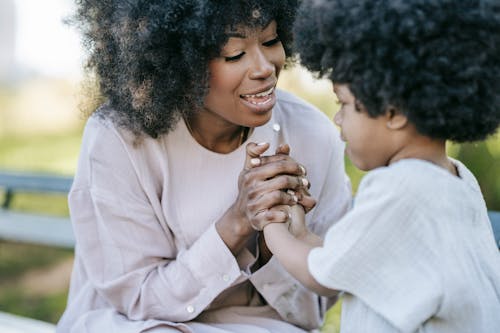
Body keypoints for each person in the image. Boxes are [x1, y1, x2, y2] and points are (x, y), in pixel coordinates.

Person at [57, 1, 352, 332]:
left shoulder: (312, 134)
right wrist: (238, 223)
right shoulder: (119, 139)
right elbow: (137, 300)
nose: (264, 67)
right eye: (234, 53)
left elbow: (317, 304)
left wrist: (274, 246)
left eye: (270, 41)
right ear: (179, 62)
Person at [260, 0, 500, 332]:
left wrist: (270, 228)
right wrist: (300, 233)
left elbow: (323, 276)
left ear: (394, 111)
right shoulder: (457, 179)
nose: (337, 118)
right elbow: (352, 258)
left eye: (344, 103)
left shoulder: (399, 187)